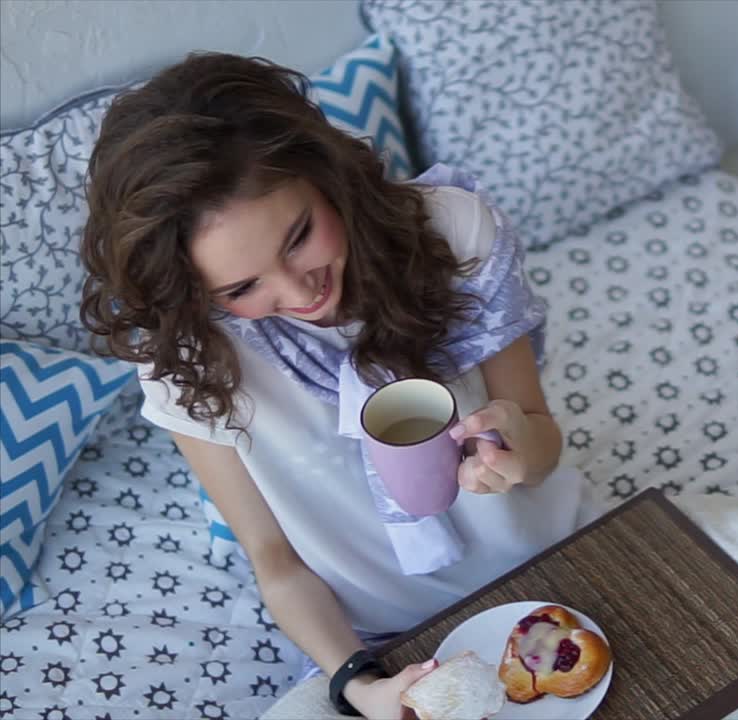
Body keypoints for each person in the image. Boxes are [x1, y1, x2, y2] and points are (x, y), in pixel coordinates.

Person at [80, 52, 589, 719]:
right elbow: (276, 562)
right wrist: (360, 684)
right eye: (241, 288)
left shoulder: (454, 233)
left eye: (299, 237)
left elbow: (542, 439)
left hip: (564, 564)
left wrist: (520, 447)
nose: (298, 291)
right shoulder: (190, 359)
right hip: (382, 641)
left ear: (327, 176)